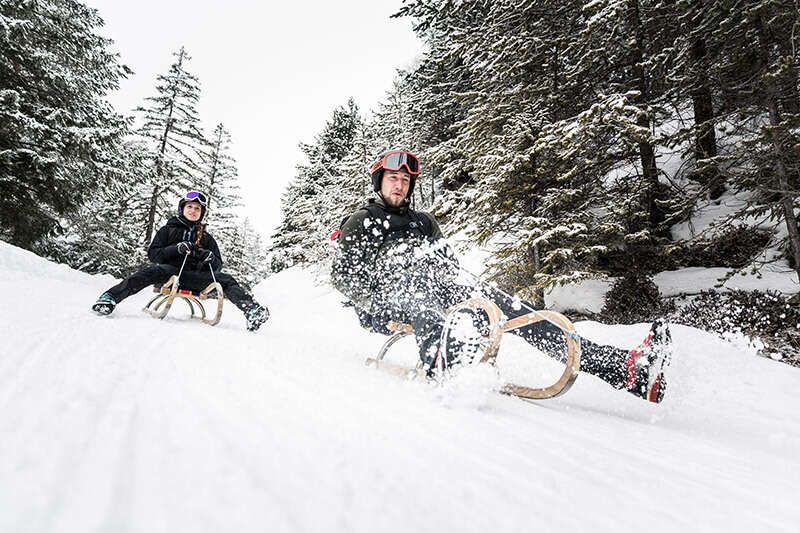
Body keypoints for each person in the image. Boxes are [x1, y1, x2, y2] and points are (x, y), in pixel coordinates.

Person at [331, 150, 671, 402]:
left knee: (514, 310)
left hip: (440, 286)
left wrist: (472, 293)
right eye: (393, 178)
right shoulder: (362, 221)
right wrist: (375, 302)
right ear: (380, 182)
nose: (400, 185)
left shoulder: (424, 222)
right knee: (419, 292)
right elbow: (344, 274)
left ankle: (625, 369)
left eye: (406, 180)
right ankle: (447, 372)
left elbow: (448, 264)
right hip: (390, 298)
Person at [91, 191, 270, 332]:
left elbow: (218, 265)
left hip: (195, 277)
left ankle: (252, 310)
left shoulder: (206, 238)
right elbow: (154, 254)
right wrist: (175, 248)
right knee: (148, 272)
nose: (193, 211)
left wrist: (210, 257)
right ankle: (110, 298)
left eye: (197, 209)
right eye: (190, 207)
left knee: (226, 279)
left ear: (201, 213)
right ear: (182, 208)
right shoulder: (168, 231)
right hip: (170, 273)